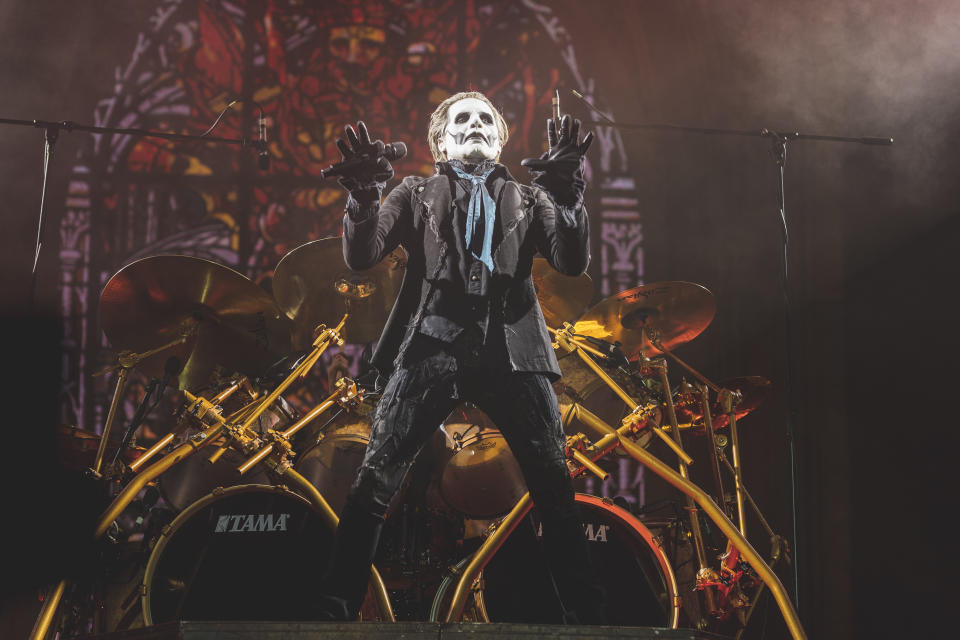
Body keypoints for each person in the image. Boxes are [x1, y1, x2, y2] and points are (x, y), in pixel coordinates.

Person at [317, 91, 603, 623]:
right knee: (376, 478)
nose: (473, 125)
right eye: (461, 119)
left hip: (514, 352)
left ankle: (587, 620)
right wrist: (362, 198)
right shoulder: (414, 191)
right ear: (442, 142)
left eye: (484, 119)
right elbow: (362, 255)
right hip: (431, 345)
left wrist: (567, 197)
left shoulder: (530, 196)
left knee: (553, 485)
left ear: (498, 139)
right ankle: (332, 608)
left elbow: (570, 259)